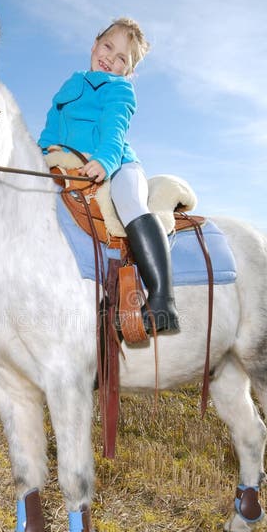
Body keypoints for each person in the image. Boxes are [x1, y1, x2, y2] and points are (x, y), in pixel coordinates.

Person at [38, 18, 179, 333]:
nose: (110, 59)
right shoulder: (69, 88)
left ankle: (162, 301)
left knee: (128, 200)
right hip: (71, 165)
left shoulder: (119, 90)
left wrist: (105, 160)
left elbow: (114, 130)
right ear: (94, 44)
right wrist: (38, 158)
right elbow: (49, 134)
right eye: (107, 47)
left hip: (118, 164)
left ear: (128, 72)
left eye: (122, 60)